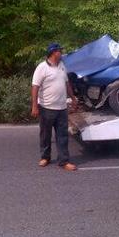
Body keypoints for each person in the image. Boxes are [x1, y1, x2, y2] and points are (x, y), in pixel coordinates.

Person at [31, 43, 78, 171]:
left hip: (62, 108)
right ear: (53, 53)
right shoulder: (42, 67)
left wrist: (73, 98)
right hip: (46, 108)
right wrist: (34, 106)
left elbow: (67, 83)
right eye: (59, 51)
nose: (61, 53)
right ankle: (45, 157)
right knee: (45, 134)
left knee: (62, 135)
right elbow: (35, 87)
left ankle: (64, 161)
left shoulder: (62, 66)